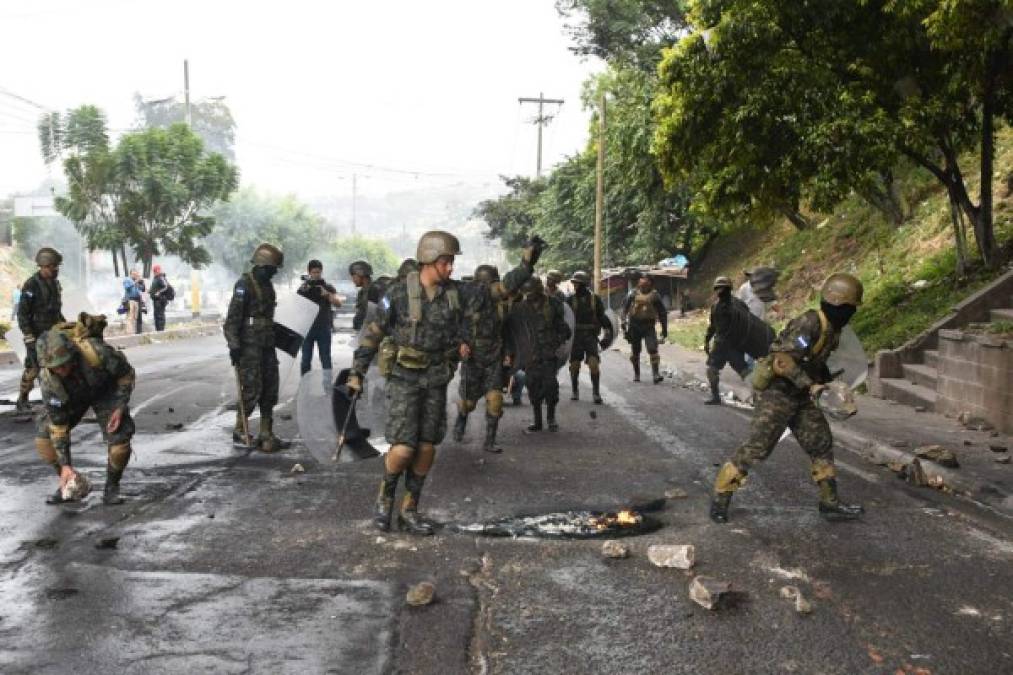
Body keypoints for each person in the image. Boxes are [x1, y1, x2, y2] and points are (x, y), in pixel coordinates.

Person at [350, 231, 541, 534]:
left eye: (452, 262)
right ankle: (385, 499)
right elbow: (373, 333)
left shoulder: (458, 293)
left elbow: (500, 290)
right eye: (446, 262)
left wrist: (527, 263)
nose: (451, 268)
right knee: (402, 449)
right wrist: (356, 371)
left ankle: (409, 509)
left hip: (436, 378)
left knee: (426, 448)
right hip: (404, 378)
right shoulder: (398, 294)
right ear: (428, 259)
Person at [709, 273, 867, 524]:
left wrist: (831, 385)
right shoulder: (809, 324)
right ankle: (720, 500)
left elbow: (815, 361)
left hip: (802, 398)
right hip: (778, 395)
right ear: (840, 305)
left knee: (821, 443)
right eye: (850, 307)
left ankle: (830, 503)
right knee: (755, 449)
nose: (852, 313)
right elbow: (782, 361)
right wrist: (810, 385)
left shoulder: (832, 330)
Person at [34, 315, 135, 505]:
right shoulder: (49, 381)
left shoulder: (97, 352)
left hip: (106, 391)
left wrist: (120, 407)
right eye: (56, 368)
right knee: (44, 442)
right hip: (73, 398)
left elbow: (126, 374)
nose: (62, 370)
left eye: (65, 364)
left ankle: (111, 487)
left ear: (72, 353)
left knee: (120, 444)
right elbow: (59, 425)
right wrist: (65, 465)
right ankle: (70, 481)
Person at [224, 243, 290, 452]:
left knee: (270, 387)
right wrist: (234, 345)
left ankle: (266, 432)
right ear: (262, 266)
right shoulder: (244, 285)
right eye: (271, 269)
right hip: (249, 346)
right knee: (252, 387)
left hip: (267, 344)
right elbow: (232, 320)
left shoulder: (267, 286)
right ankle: (240, 429)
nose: (273, 273)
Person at [452, 264, 515, 453]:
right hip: (472, 358)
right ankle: (461, 418)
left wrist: (508, 353)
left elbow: (508, 331)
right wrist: (460, 344)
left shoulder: (502, 306)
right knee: (468, 403)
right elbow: (454, 326)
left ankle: (490, 441)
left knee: (495, 399)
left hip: (493, 356)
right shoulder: (466, 303)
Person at [510, 276, 571, 433]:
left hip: (549, 353)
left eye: (530, 293)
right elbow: (515, 331)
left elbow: (563, 328)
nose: (528, 296)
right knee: (532, 385)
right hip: (531, 354)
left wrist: (557, 342)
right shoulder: (521, 307)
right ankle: (537, 421)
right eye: (526, 293)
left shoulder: (553, 304)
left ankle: (551, 418)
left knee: (550, 385)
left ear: (538, 290)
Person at [16, 248, 66, 412]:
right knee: (33, 368)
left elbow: (56, 310)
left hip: (52, 332)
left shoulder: (55, 284)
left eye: (56, 266)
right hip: (35, 334)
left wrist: (65, 326)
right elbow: (22, 313)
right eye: (53, 266)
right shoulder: (31, 285)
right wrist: (28, 334)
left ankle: (55, 399)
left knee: (58, 365)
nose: (55, 269)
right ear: (43, 266)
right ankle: (22, 399)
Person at [703, 276, 753, 405]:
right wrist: (707, 340)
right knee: (712, 370)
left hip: (734, 345)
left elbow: (748, 324)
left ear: (729, 289)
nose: (720, 291)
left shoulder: (739, 305)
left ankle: (758, 397)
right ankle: (715, 396)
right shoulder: (715, 306)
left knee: (745, 372)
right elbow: (713, 326)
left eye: (723, 288)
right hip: (720, 345)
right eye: (718, 288)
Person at [566, 270, 612, 404]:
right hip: (576, 337)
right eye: (574, 283)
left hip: (591, 337)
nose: (574, 286)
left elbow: (602, 317)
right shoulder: (570, 300)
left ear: (583, 285)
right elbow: (565, 320)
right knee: (574, 365)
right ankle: (575, 391)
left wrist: (607, 334)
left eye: (577, 283)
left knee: (593, 364)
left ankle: (596, 393)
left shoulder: (595, 299)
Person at [298, 259, 342, 375]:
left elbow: (338, 304)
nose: (316, 275)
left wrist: (327, 295)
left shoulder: (328, 287)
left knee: (326, 359)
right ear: (309, 272)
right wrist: (304, 290)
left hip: (324, 328)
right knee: (305, 360)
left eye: (318, 272)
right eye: (314, 272)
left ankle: (328, 389)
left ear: (321, 271)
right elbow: (297, 307)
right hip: (307, 329)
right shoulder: (303, 288)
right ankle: (305, 388)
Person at [621, 275, 667, 384]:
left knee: (652, 349)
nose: (642, 281)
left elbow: (662, 313)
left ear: (650, 283)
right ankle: (636, 374)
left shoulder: (655, 296)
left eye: (645, 280)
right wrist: (623, 322)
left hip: (648, 326)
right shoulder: (632, 294)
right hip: (634, 325)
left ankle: (655, 374)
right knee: (635, 350)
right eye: (641, 279)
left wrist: (664, 329)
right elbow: (624, 309)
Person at [350, 260, 380, 331]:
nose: (353, 280)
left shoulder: (375, 290)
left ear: (361, 275)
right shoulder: (362, 292)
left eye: (354, 276)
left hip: (373, 332)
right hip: (364, 331)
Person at [148, 264, 174, 332]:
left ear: (159, 271)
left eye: (156, 271)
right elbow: (156, 288)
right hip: (156, 300)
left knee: (160, 315)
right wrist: (150, 291)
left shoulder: (160, 277)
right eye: (154, 271)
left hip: (160, 300)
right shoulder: (156, 278)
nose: (155, 272)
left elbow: (165, 287)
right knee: (157, 315)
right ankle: (158, 330)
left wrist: (159, 292)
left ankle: (160, 331)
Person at [123, 270, 145, 335]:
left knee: (136, 317)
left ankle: (136, 331)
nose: (135, 275)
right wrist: (135, 282)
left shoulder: (137, 281)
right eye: (133, 274)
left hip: (137, 300)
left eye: (136, 274)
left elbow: (142, 289)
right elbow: (127, 288)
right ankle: (129, 332)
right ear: (130, 274)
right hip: (130, 300)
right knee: (130, 317)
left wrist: (142, 282)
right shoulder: (127, 280)